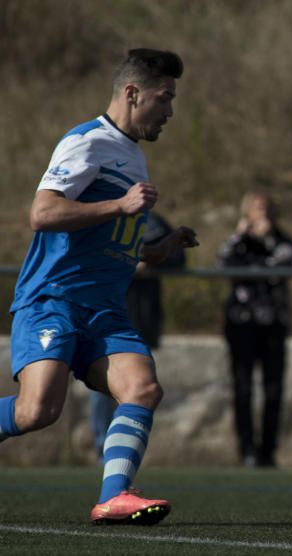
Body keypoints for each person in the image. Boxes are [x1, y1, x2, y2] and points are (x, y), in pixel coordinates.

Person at [4, 48, 198, 525]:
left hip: (104, 310)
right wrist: (119, 206)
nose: (170, 111)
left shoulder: (133, 159)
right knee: (37, 412)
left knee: (143, 387)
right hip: (54, 301)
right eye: (164, 98)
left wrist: (160, 249)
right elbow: (42, 214)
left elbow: (118, 246)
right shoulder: (87, 141)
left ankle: (114, 495)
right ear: (133, 94)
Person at [89, 211, 186, 459]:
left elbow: (178, 258)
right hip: (105, 316)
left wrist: (153, 259)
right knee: (103, 387)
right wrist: (129, 265)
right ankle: (104, 447)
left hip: (141, 317)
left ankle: (123, 453)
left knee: (141, 387)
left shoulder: (152, 222)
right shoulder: (98, 216)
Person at [218, 190, 292, 468]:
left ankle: (268, 451)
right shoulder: (239, 242)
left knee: (273, 390)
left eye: (265, 208)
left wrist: (267, 239)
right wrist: (242, 235)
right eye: (256, 208)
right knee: (242, 388)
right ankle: (246, 451)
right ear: (246, 213)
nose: (262, 214)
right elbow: (223, 260)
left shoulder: (281, 240)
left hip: (273, 324)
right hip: (241, 324)